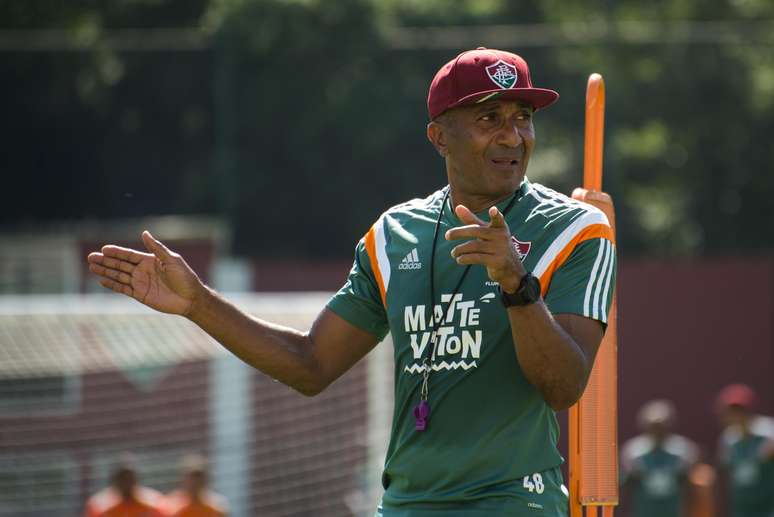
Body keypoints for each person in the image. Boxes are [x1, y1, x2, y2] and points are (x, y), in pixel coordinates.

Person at [87, 47, 616, 516]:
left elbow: (563, 387)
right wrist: (197, 303)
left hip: (513, 502)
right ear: (438, 136)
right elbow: (310, 365)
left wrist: (515, 283)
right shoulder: (392, 234)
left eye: (522, 117)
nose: (512, 135)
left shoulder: (573, 227)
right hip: (407, 503)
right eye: (489, 117)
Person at [620, 399, 699, 517]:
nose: (657, 431)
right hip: (644, 510)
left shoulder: (683, 450)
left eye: (661, 426)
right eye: (653, 426)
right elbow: (625, 483)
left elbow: (692, 483)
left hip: (672, 509)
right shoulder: (633, 451)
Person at [715, 384, 774, 517]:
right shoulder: (728, 438)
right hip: (742, 506)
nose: (735, 415)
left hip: (768, 505)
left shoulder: (768, 431)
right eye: (730, 411)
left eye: (739, 410)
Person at [84, 454, 165, 517]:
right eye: (122, 478)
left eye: (129, 478)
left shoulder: (153, 504)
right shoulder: (99, 506)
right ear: (114, 480)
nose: (126, 483)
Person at [161, 453, 228, 517]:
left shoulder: (216, 508)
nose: (195, 485)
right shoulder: (172, 506)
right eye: (191, 480)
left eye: (198, 480)